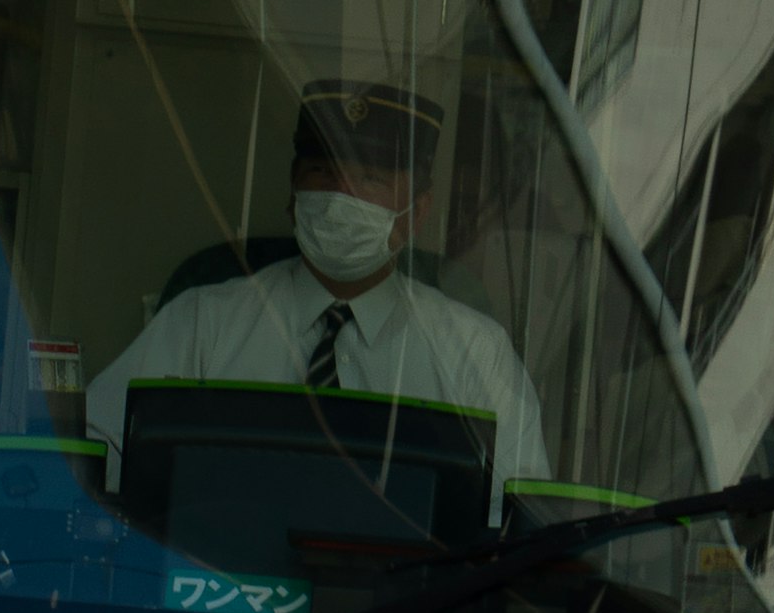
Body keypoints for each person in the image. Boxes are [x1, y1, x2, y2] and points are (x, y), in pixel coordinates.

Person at [84, 83, 549, 514]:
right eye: (321, 172)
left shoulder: (475, 354)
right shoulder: (201, 323)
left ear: (418, 211)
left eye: (369, 178)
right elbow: (94, 453)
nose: (339, 195)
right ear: (292, 192)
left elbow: (518, 515)